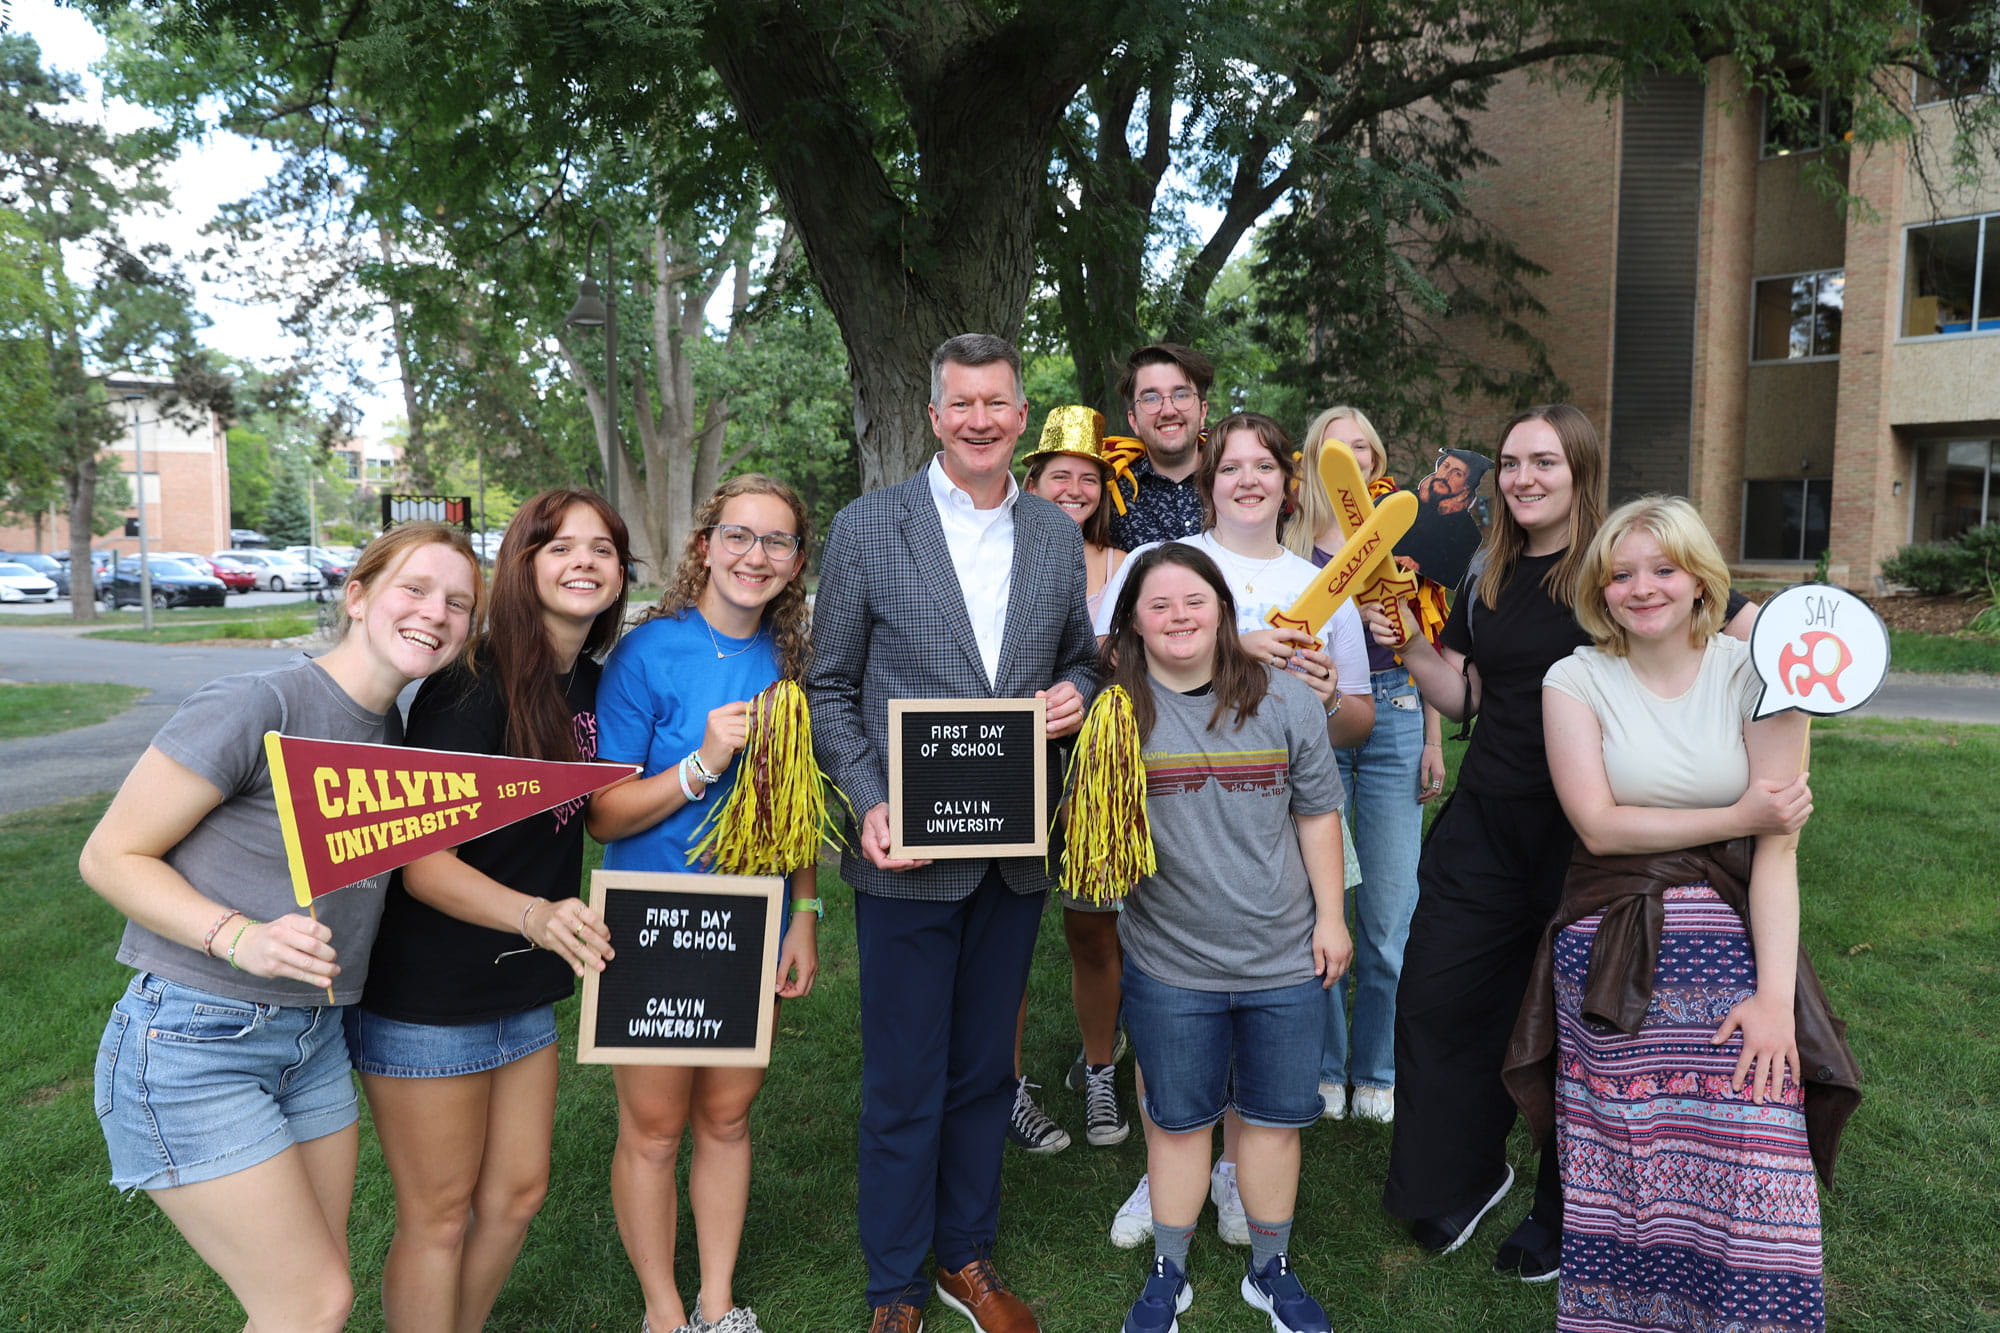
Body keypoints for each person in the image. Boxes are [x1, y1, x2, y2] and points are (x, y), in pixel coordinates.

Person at [79, 522, 481, 1333]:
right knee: (313, 1302)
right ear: (358, 596)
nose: (435, 613)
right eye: (414, 589)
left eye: (459, 603)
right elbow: (109, 854)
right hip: (193, 1041)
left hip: (312, 1040)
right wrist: (241, 935)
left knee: (307, 1299)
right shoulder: (259, 702)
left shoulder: (394, 738)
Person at [1506, 495, 1857, 1331]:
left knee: (1757, 1154)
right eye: (1622, 573)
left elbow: (1779, 851)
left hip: (1731, 947)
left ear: (1700, 579)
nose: (1643, 588)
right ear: (1600, 588)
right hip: (1611, 944)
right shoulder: (1576, 678)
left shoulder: (1765, 675)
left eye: (1663, 568)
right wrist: (1740, 816)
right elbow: (1599, 823)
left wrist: (1775, 998)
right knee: (1625, 1163)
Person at [806, 333, 1097, 1333]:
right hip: (905, 853)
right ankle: (893, 1284)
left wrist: (1075, 692)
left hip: (1012, 855)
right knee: (901, 1075)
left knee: (984, 1068)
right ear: (934, 417)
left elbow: (1085, 662)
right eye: (960, 403)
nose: (979, 419)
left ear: (1020, 416)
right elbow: (830, 685)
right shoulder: (866, 526)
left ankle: (963, 1253)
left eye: (997, 402)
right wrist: (866, 796)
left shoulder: (1055, 536)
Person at [1092, 411, 1373, 1252]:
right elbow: (1106, 662)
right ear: (1205, 482)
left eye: (1264, 465)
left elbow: (1355, 718)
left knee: (1267, 1007)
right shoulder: (1163, 567)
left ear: (1291, 483)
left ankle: (1234, 1174)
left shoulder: (1324, 581)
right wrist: (1232, 648)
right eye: (1230, 467)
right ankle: (1170, 1160)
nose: (1247, 479)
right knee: (1175, 1021)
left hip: (1279, 821)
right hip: (1176, 831)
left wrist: (1319, 695)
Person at [348, 490, 628, 1332]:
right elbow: (420, 865)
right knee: (437, 1215)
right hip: (429, 996)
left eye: (603, 549)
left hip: (522, 988)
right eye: (558, 547)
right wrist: (538, 915)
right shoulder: (471, 684)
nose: (584, 561)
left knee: (516, 1193)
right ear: (522, 565)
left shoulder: (587, 680)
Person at [587, 474, 824, 1333]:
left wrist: (805, 911)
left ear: (795, 563)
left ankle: (718, 1302)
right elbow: (602, 813)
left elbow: (797, 807)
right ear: (704, 545)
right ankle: (662, 1312)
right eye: (739, 535)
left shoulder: (796, 662)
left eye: (777, 542)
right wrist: (703, 761)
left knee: (725, 1117)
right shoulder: (647, 655)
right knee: (653, 1127)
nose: (755, 556)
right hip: (649, 915)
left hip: (748, 922)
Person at [1101, 543, 1352, 1333]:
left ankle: (1269, 1269)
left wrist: (1333, 917)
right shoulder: (1117, 711)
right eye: (1159, 605)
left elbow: (1316, 813)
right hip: (1170, 958)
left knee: (1275, 1120)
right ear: (1133, 623)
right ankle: (1167, 1272)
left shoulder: (1284, 699)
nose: (1179, 616)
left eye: (1194, 602)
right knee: (1177, 1122)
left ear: (1222, 610)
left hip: (1283, 952)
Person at [1284, 406, 1445, 1124]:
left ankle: (1376, 1067)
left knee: (1387, 915)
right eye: (1339, 446)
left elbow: (1426, 649)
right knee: (1320, 908)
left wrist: (1435, 739)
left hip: (1398, 716)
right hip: (1315, 716)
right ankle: (1323, 1066)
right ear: (1317, 458)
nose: (1354, 456)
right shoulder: (1286, 542)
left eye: (1365, 447)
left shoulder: (1401, 547)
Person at [1004, 405, 1133, 1156]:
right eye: (1062, 475)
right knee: (1008, 932)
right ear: (1034, 479)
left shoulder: (1129, 564)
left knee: (1093, 925)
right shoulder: (998, 552)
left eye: (1089, 478)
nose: (1076, 488)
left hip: (1097, 768)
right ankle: (1008, 1083)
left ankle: (1098, 1067)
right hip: (1012, 763)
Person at [1106, 343, 1214, 551]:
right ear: (1133, 420)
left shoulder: (1238, 480)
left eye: (1181, 394)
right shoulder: (1110, 495)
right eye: (1151, 398)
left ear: (1202, 411)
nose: (1168, 410)